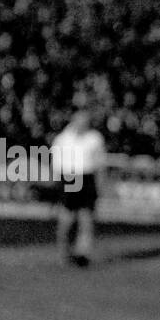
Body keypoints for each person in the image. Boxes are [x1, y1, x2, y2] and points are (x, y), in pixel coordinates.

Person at [50, 109, 106, 267]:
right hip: (69, 178)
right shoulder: (62, 139)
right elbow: (55, 164)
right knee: (66, 218)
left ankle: (83, 254)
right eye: (80, 120)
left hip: (87, 178)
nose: (83, 123)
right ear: (74, 120)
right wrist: (58, 187)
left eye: (86, 120)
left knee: (86, 218)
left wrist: (99, 186)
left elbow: (100, 164)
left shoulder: (95, 138)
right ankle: (63, 253)